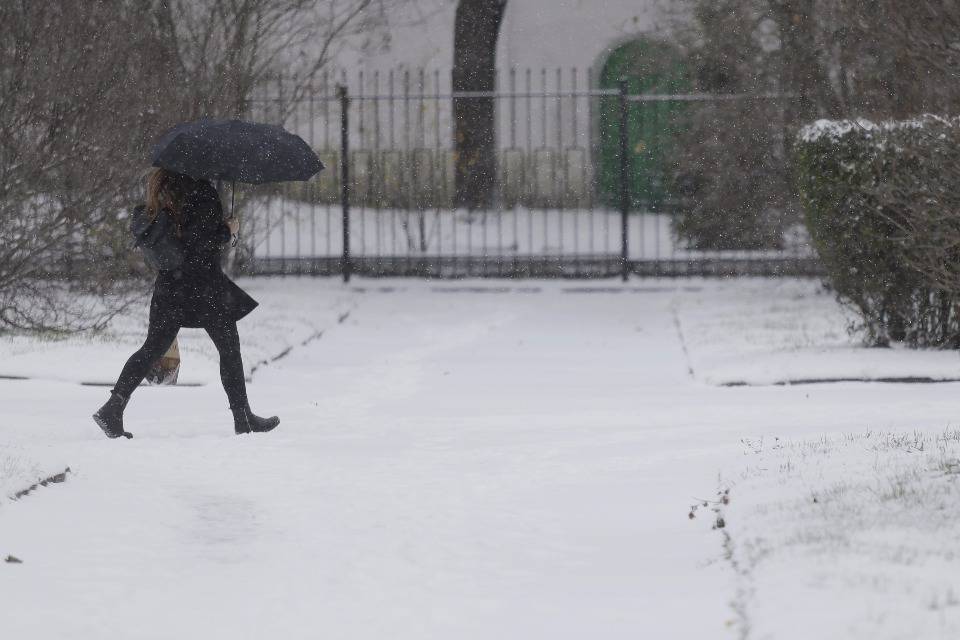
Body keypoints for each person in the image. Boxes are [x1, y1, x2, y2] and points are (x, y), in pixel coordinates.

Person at [93, 169, 279, 438]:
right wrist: (228, 230)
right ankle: (243, 418)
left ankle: (113, 408)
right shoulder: (202, 193)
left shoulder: (162, 190)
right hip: (203, 288)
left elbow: (181, 240)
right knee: (229, 349)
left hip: (170, 286)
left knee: (151, 349)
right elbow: (200, 244)